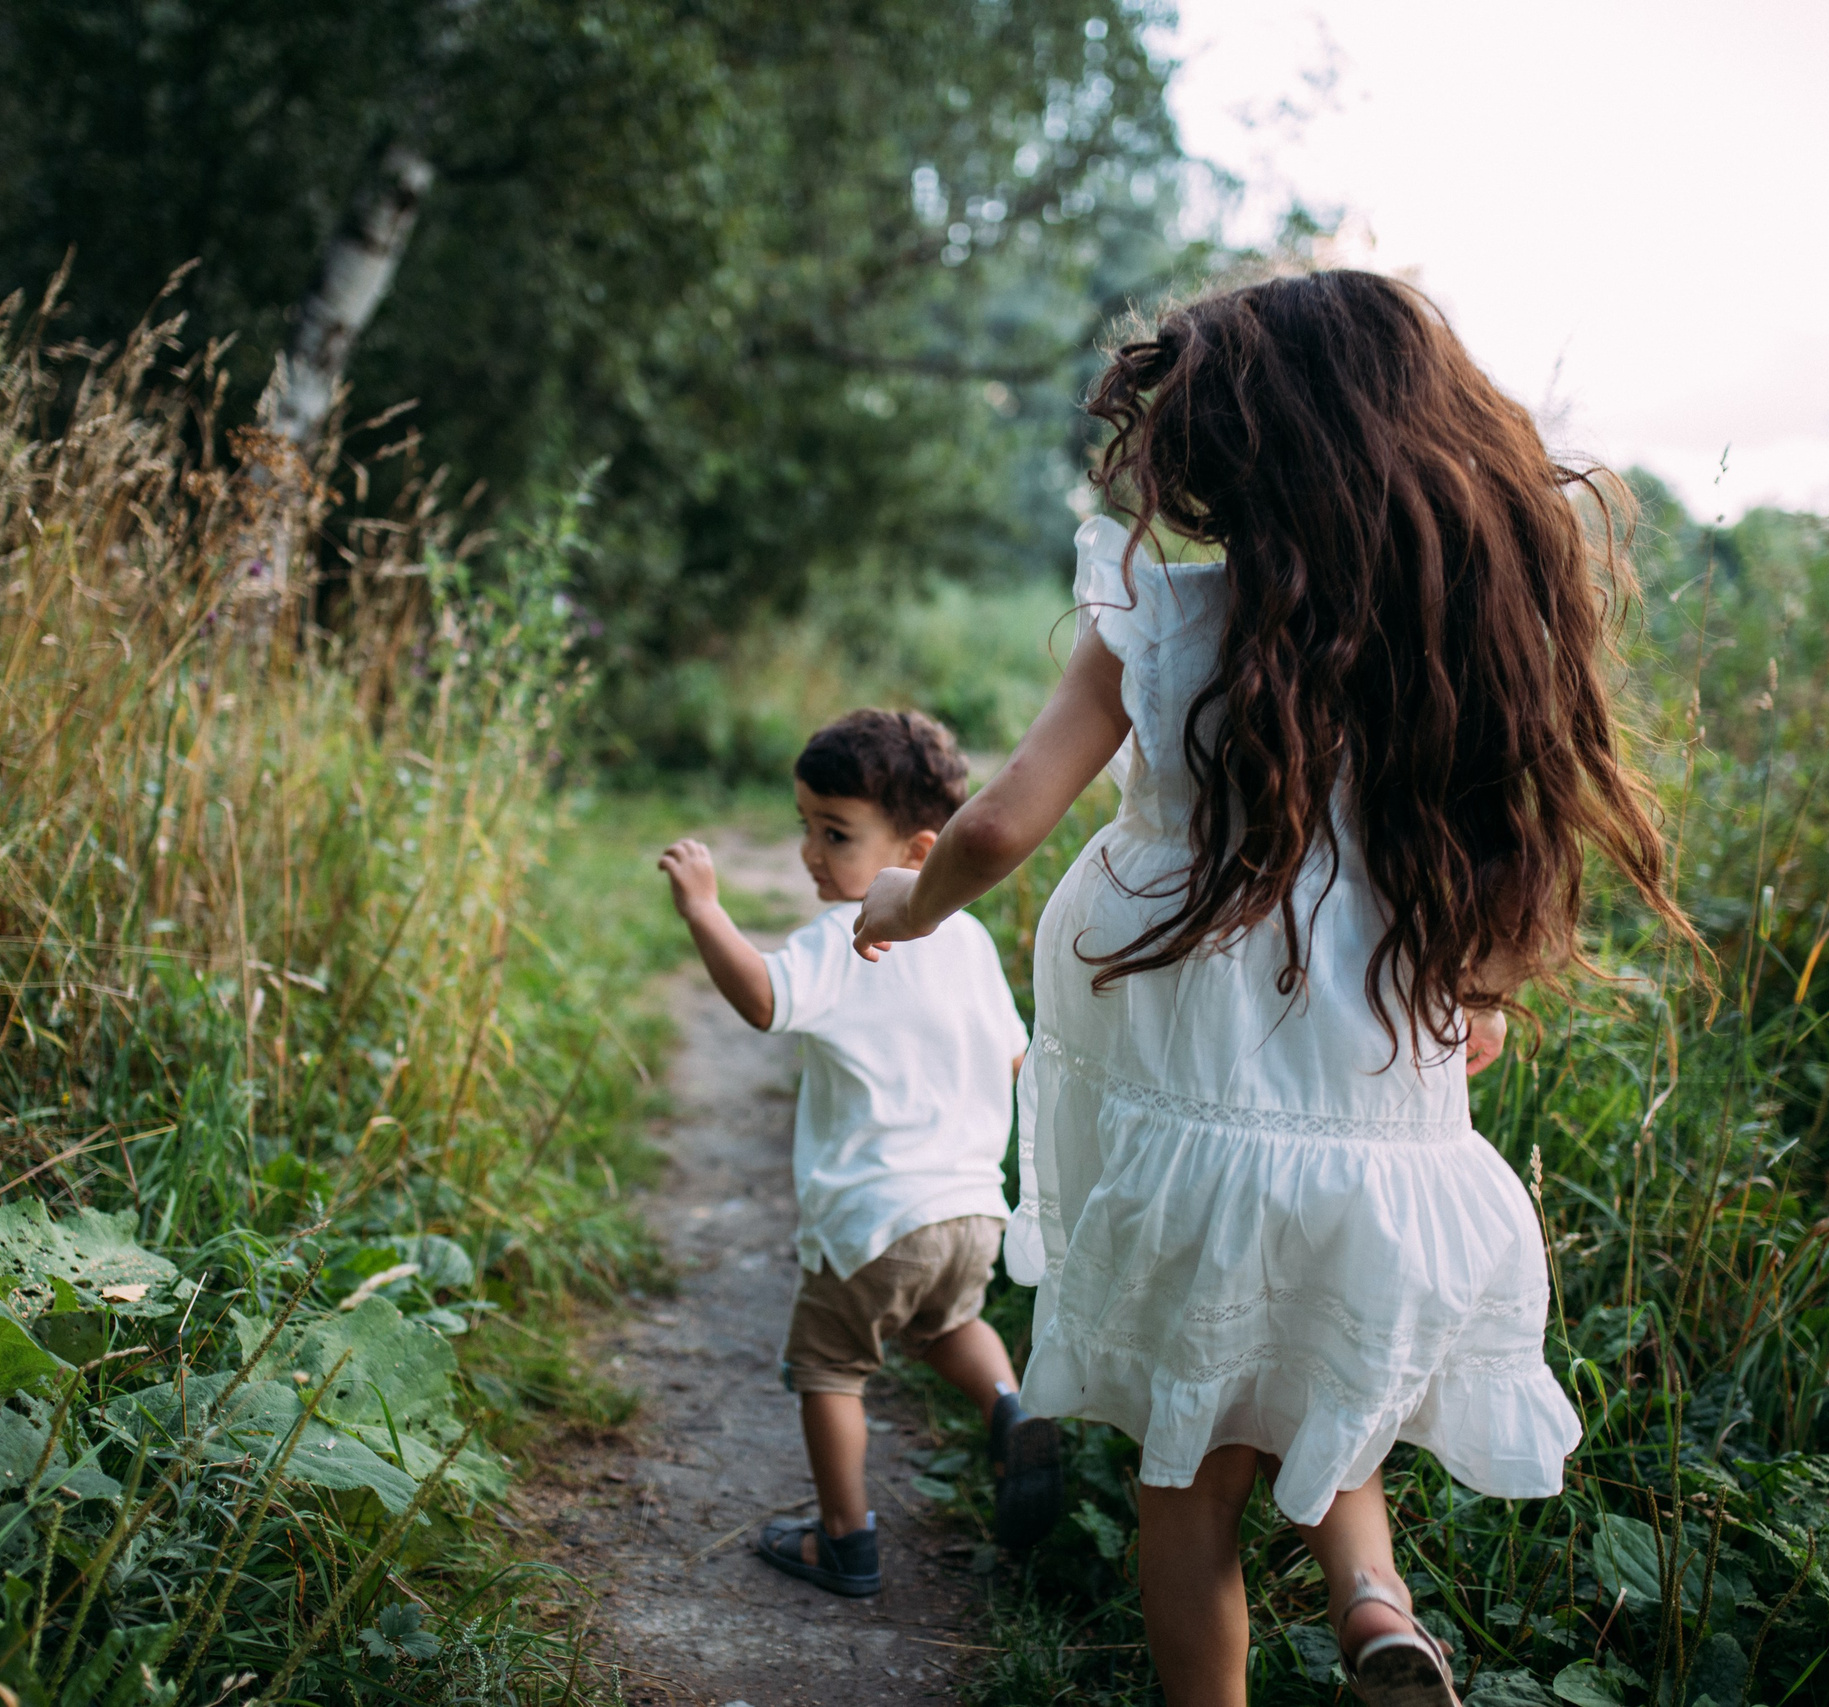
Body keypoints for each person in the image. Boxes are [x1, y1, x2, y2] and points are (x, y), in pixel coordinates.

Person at [852, 272, 1688, 1705]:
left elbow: (994, 826)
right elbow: (1481, 836)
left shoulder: (1161, 620)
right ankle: (1372, 1604)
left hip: (1189, 1087)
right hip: (1362, 1098)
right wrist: (1476, 986)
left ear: (1230, 447)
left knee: (1193, 1471)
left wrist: (902, 897)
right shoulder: (1445, 640)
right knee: (1323, 1367)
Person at [657, 708, 1064, 1598]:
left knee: (830, 1369)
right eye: (805, 826)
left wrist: (704, 910)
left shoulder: (849, 936)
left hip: (876, 1216)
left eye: (835, 833)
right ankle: (1011, 1407)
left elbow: (765, 999)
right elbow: (1017, 1057)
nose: (811, 852)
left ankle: (844, 1538)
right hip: (968, 1211)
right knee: (949, 1324)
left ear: (918, 852)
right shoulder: (969, 940)